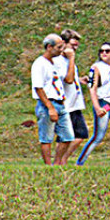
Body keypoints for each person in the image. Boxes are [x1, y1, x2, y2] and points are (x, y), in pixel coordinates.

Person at [78, 41, 110, 166]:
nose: (104, 53)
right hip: (106, 104)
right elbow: (92, 88)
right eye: (101, 51)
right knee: (98, 136)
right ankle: (80, 162)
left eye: (107, 51)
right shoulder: (97, 67)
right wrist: (97, 107)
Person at [31, 33, 74, 165]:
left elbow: (69, 79)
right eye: (59, 47)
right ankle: (48, 166)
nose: (62, 50)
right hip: (48, 103)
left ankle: (57, 163)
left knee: (67, 137)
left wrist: (71, 59)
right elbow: (38, 88)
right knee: (47, 138)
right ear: (49, 47)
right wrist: (50, 108)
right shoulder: (39, 64)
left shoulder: (57, 63)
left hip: (60, 102)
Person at [60, 29, 89, 147]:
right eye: (72, 45)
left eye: (76, 46)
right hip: (67, 104)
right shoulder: (60, 61)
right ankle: (59, 161)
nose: (74, 49)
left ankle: (63, 160)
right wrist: (72, 58)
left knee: (81, 134)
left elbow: (71, 78)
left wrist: (80, 80)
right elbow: (68, 79)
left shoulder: (69, 61)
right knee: (66, 137)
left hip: (75, 103)